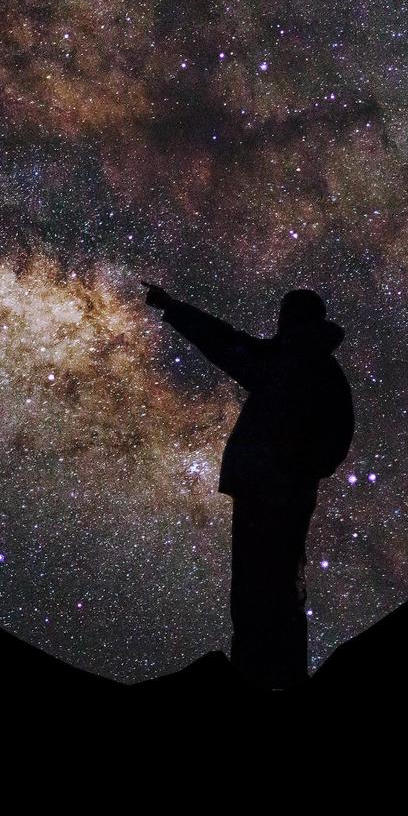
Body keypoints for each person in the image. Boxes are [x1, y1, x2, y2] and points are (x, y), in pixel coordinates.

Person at [143, 283, 354, 689]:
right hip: (277, 487)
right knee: (277, 582)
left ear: (292, 320)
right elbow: (338, 436)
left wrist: (174, 307)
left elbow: (225, 343)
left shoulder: (284, 362)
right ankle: (276, 674)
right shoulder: (317, 370)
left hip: (269, 487)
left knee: (259, 585)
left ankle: (261, 677)